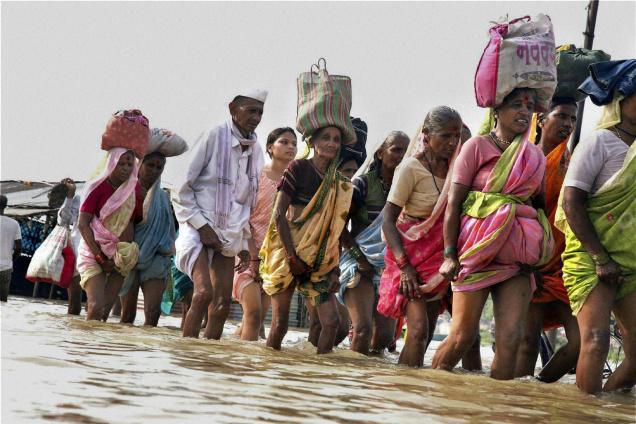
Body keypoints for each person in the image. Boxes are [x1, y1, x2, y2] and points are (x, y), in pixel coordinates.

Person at [432, 88, 554, 380]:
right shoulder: (476, 147)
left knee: (511, 341)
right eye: (515, 106)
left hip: (516, 261)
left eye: (528, 107)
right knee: (462, 337)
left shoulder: (534, 155)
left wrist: (534, 250)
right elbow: (454, 205)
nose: (524, 112)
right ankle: (432, 397)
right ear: (496, 112)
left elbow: (538, 207)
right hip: (474, 253)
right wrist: (450, 255)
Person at [558, 59, 636, 394]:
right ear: (622, 98)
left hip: (630, 262)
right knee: (595, 340)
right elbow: (571, 202)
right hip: (592, 258)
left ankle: (601, 408)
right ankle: (583, 414)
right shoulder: (599, 142)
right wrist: (600, 257)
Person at [172, 89, 266, 339]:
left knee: (223, 304)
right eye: (251, 111)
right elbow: (180, 188)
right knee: (203, 293)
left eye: (260, 112)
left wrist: (244, 244)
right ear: (233, 109)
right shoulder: (214, 136)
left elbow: (247, 203)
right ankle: (186, 353)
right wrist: (203, 227)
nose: (256, 117)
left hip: (229, 233)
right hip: (197, 226)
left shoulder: (255, 150)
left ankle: (208, 361)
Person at [377, 107, 462, 366]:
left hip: (438, 259)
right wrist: (405, 267)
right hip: (408, 257)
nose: (452, 142)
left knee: (422, 338)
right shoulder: (411, 168)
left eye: (456, 136)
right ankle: (401, 393)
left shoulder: (455, 169)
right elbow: (388, 220)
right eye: (445, 136)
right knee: (417, 331)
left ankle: (408, 394)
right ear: (426, 135)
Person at [260, 125, 353, 354]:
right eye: (325, 138)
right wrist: (292, 257)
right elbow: (279, 214)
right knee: (280, 323)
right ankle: (270, 374)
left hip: (319, 257)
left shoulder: (339, 185)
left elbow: (336, 230)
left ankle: (314, 377)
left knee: (331, 322)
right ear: (313, 141)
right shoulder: (298, 167)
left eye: (336, 140)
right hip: (288, 251)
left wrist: (335, 270)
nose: (331, 143)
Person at [515, 97, 581, 381]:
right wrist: (527, 264)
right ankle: (517, 403)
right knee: (527, 342)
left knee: (581, 344)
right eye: (562, 116)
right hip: (529, 264)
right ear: (540, 121)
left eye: (573, 119)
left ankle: (540, 389)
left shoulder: (575, 162)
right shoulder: (523, 159)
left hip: (566, 267)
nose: (568, 124)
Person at [338, 130, 409, 354]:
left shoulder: (407, 187)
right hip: (358, 261)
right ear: (380, 154)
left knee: (385, 336)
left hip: (388, 265)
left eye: (406, 151)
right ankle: (352, 384)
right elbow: (339, 226)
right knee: (363, 330)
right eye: (396, 149)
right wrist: (361, 260)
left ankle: (372, 383)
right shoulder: (363, 185)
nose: (401, 155)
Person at [233, 127, 297, 341]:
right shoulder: (256, 178)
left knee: (256, 322)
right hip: (247, 252)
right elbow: (244, 217)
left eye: (293, 143)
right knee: (253, 314)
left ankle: (236, 360)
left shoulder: (294, 183)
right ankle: (247, 368)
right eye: (284, 142)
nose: (290, 147)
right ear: (270, 147)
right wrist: (253, 256)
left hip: (275, 258)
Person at [120, 129, 187, 326]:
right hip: (130, 257)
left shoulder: (163, 198)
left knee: (152, 313)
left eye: (159, 167)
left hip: (157, 259)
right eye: (150, 165)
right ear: (140, 165)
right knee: (127, 315)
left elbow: (167, 231)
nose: (155, 170)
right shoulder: (126, 193)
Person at [77, 148, 144, 321]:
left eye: (130, 164)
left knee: (105, 310)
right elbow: (83, 224)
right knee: (96, 306)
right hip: (94, 251)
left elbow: (134, 219)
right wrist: (100, 257)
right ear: (111, 164)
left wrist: (124, 249)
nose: (125, 168)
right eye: (121, 163)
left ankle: (99, 347)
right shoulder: (97, 187)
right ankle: (83, 346)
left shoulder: (134, 189)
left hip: (120, 254)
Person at [53, 178, 83, 315]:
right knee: (74, 302)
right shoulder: (80, 197)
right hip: (79, 253)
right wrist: (70, 196)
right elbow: (64, 220)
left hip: (103, 251)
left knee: (96, 304)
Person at [0, 195, 22, 302]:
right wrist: (10, 260)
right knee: (2, 302)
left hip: (6, 265)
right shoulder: (14, 224)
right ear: (5, 206)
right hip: (6, 268)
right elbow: (18, 248)